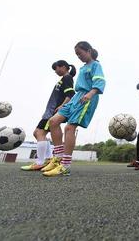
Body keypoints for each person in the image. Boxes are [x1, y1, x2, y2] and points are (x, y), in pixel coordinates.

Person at [42, 41, 106, 177]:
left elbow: (100, 81)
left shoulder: (96, 65)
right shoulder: (83, 68)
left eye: (80, 53)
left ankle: (65, 166)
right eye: (77, 55)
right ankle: (58, 159)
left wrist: (91, 93)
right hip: (76, 98)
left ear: (88, 51)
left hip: (87, 97)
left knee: (69, 128)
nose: (79, 56)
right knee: (53, 122)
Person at [21, 60, 76, 171]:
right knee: (38, 133)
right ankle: (47, 159)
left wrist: (62, 106)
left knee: (39, 133)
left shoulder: (67, 78)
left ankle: (40, 162)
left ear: (64, 67)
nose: (55, 71)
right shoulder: (63, 79)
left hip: (53, 112)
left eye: (56, 68)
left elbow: (70, 94)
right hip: (49, 111)